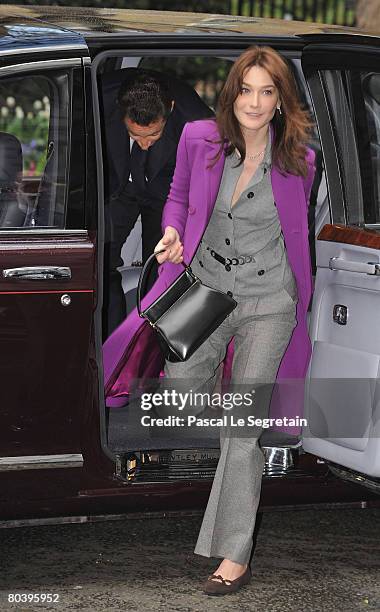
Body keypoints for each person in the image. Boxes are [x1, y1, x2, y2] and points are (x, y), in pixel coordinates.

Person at [103, 46, 316, 595]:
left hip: (268, 297)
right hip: (205, 286)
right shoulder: (200, 139)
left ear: (280, 101)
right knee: (178, 392)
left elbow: (295, 231)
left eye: (267, 92)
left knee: (241, 431)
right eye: (246, 89)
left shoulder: (298, 159)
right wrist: (172, 232)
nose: (254, 101)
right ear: (231, 94)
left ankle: (232, 555)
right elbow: (176, 198)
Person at [101, 68, 214, 336]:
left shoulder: (196, 122)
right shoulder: (98, 98)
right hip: (119, 184)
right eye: (134, 135)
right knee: (99, 262)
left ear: (170, 110)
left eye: (152, 136)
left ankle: (151, 342)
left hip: (169, 190)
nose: (142, 145)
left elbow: (206, 188)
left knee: (161, 267)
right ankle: (111, 342)